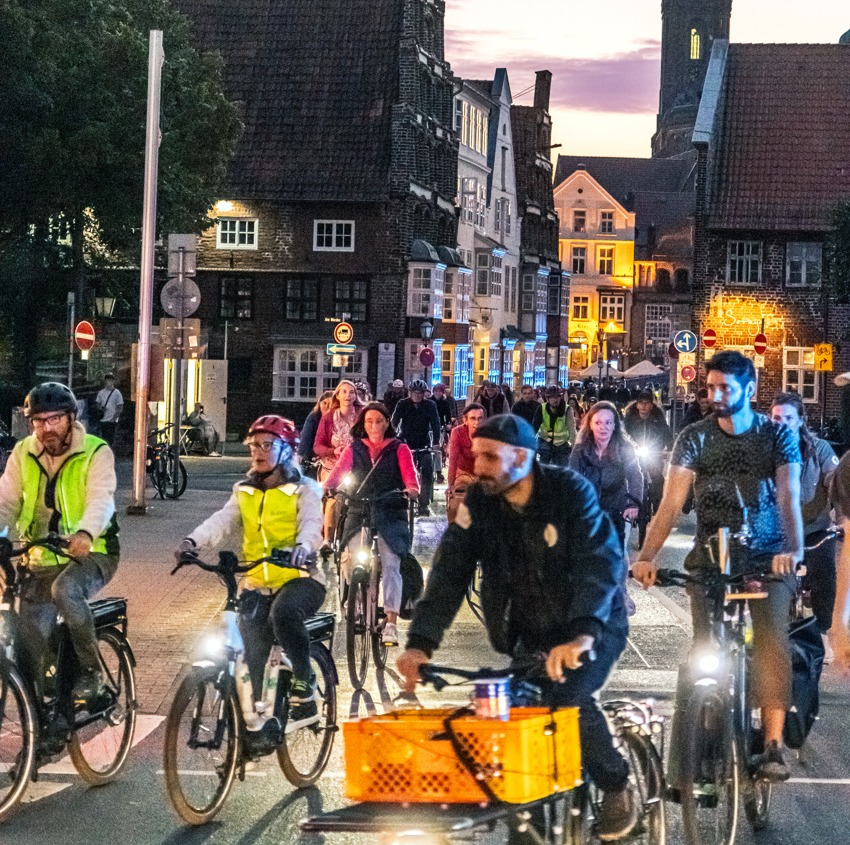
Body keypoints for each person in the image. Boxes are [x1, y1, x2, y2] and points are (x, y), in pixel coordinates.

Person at [397, 415, 637, 842]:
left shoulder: (569, 492)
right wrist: (420, 645)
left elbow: (597, 564)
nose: (478, 463)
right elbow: (450, 571)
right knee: (510, 717)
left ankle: (616, 783)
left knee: (568, 699)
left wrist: (581, 634)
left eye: (490, 456)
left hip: (594, 622)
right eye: (475, 453)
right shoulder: (481, 501)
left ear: (522, 457)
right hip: (529, 629)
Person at [632, 350, 804, 783]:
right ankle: (703, 740)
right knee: (703, 648)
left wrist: (794, 550)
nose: (716, 396)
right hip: (711, 556)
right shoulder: (694, 436)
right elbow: (671, 504)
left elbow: (788, 498)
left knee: (770, 639)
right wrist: (646, 557)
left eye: (725, 388)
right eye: (710, 388)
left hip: (767, 556)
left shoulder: (776, 436)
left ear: (749, 388)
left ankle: (772, 745)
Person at [177, 415, 324, 725]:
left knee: (282, 614)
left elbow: (312, 524)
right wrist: (192, 541)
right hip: (257, 580)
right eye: (253, 445)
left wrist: (303, 547)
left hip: (301, 577)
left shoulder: (304, 489)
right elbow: (223, 520)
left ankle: (303, 678)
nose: (258, 451)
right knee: (250, 646)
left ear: (286, 451)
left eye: (267, 445)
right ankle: (253, 721)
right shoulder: (243, 489)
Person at [0, 382, 120, 708]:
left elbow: (101, 501)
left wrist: (85, 534)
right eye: (38, 421)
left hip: (92, 552)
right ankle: (39, 722)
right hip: (38, 555)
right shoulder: (23, 452)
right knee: (28, 641)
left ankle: (91, 673)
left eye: (54, 419)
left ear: (70, 418)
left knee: (65, 590)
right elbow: (5, 502)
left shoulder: (95, 451)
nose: (46, 428)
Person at [324, 403, 419, 646]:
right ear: (362, 424)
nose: (374, 426)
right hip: (360, 507)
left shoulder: (399, 448)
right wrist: (326, 488)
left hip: (390, 509)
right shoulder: (354, 448)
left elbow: (410, 477)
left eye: (378, 421)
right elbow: (337, 473)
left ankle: (390, 622)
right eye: (369, 421)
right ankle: (356, 600)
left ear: (387, 423)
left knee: (391, 562)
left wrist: (411, 490)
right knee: (349, 556)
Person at [770, 392, 840, 661]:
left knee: (825, 577)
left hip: (815, 529)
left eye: (789, 418)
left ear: (800, 420)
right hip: (777, 534)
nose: (782, 423)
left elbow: (835, 482)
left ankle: (825, 629)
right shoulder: (762, 452)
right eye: (776, 418)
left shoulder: (820, 449)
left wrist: (843, 519)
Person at [569, 401, 643, 547]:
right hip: (588, 511)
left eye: (608, 422)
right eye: (598, 422)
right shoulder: (580, 450)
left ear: (615, 425)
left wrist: (633, 503)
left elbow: (635, 476)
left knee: (617, 556)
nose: (603, 427)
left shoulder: (624, 448)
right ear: (590, 424)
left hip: (616, 510)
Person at [391, 379, 441, 517]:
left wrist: (436, 441)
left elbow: (436, 423)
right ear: (410, 393)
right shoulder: (402, 404)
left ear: (424, 394)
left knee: (427, 468)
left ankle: (423, 504)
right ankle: (399, 497)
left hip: (423, 442)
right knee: (398, 468)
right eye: (415, 393)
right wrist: (391, 437)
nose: (418, 395)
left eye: (420, 393)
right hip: (406, 441)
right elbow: (394, 422)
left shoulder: (430, 405)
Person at [623, 390, 674, 521]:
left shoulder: (658, 418)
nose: (644, 406)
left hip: (654, 453)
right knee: (626, 479)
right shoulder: (630, 418)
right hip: (634, 454)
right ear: (637, 404)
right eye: (641, 403)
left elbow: (667, 435)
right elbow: (623, 435)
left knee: (658, 479)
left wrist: (669, 449)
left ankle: (658, 507)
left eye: (647, 403)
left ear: (652, 405)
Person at [313, 380, 363, 483]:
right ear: (337, 395)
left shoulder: (363, 415)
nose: (348, 395)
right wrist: (333, 451)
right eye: (344, 392)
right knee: (329, 489)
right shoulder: (328, 418)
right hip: (333, 464)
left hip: (357, 464)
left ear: (355, 396)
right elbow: (317, 446)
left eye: (351, 392)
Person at [446, 403, 484, 523]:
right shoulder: (457, 432)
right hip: (463, 472)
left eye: (480, 418)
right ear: (465, 420)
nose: (477, 423)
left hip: (483, 474)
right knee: (458, 499)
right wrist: (450, 485)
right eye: (473, 418)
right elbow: (453, 460)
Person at [532, 385, 577, 467]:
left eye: (558, 397)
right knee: (543, 468)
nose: (555, 400)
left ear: (561, 397)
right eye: (552, 397)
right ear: (547, 399)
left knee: (563, 469)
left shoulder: (567, 409)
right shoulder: (541, 408)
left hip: (561, 444)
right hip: (545, 441)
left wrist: (574, 446)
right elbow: (535, 426)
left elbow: (572, 428)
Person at [297, 390, 334, 475]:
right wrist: (300, 454)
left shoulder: (337, 417)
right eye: (324, 403)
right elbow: (306, 436)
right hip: (312, 454)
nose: (327, 406)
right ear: (319, 404)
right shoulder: (313, 417)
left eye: (330, 403)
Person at [430, 382, 458, 484]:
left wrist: (448, 424)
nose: (437, 393)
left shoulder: (445, 403)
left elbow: (448, 414)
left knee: (437, 449)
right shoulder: (429, 401)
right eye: (436, 391)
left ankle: (438, 472)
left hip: (439, 427)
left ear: (442, 393)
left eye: (439, 391)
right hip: (428, 428)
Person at [95, 373, 123, 447]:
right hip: (103, 419)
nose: (109, 382)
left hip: (112, 420)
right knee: (104, 438)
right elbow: (97, 403)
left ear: (113, 381)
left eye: (110, 380)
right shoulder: (101, 393)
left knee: (110, 439)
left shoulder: (117, 393)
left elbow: (120, 406)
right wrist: (101, 408)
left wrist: (114, 418)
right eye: (107, 380)